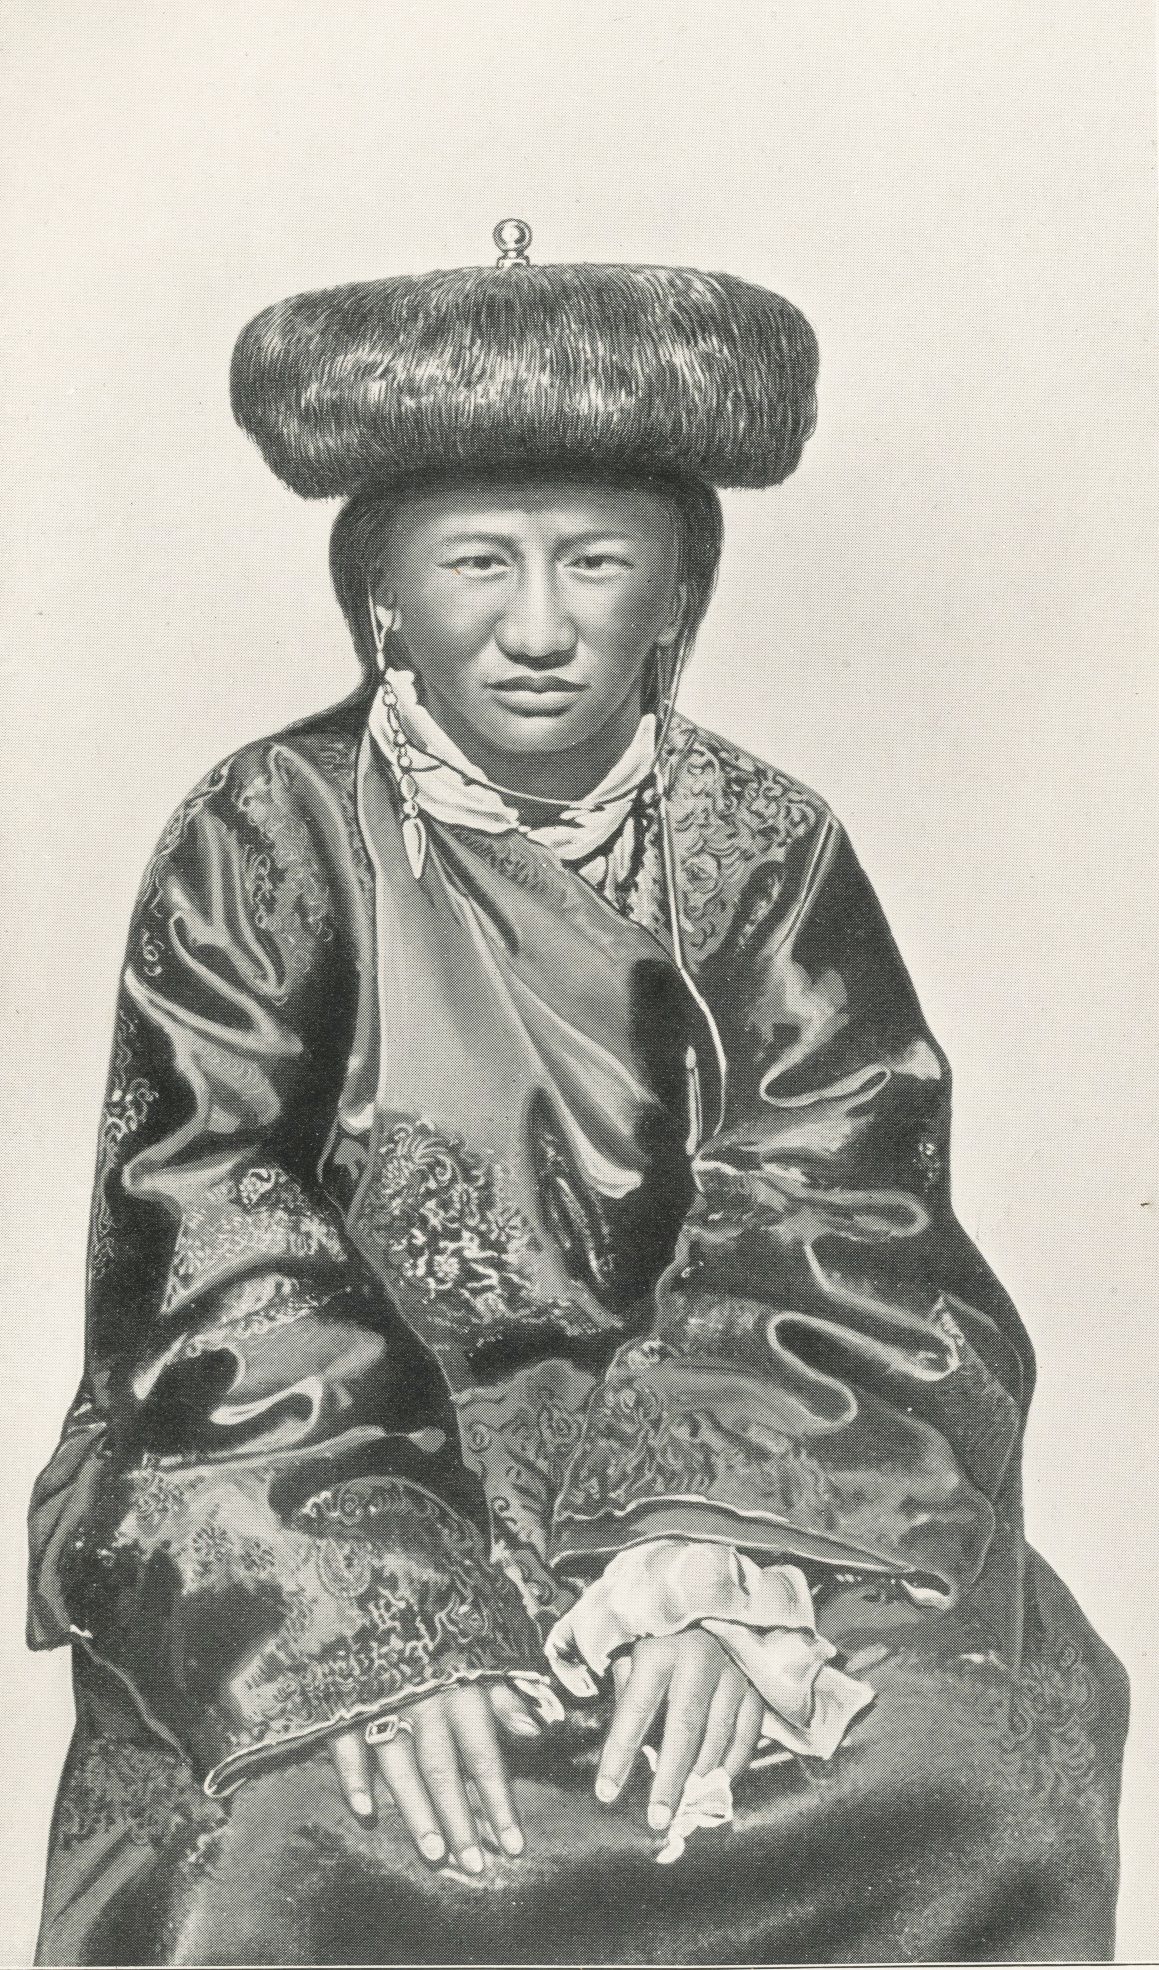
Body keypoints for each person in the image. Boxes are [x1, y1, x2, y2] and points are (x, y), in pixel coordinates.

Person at [29, 223, 1126, 1966]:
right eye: (479, 560)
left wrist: (710, 1563)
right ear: (382, 590)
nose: (538, 627)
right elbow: (209, 1224)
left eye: (596, 561)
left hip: (710, 1463)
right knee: (309, 1840)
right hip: (339, 1478)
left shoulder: (760, 844)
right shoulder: (266, 833)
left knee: (983, 1776)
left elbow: (843, 1203)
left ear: (677, 593)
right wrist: (386, 1620)